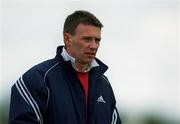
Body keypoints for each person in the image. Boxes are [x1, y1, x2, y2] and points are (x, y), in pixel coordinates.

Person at [9, 10, 121, 124]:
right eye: (87, 39)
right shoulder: (37, 79)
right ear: (67, 39)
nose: (94, 46)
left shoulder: (103, 84)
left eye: (97, 40)